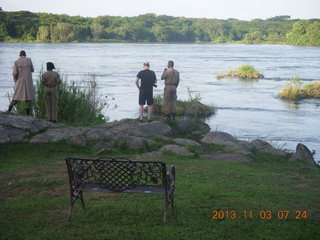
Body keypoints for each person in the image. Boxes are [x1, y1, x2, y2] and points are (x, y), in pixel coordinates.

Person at [7, 50, 35, 116]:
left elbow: (14, 73)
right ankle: (27, 114)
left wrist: (15, 80)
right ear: (25, 55)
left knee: (16, 96)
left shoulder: (16, 62)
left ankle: (9, 110)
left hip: (20, 81)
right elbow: (32, 70)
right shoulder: (29, 60)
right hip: (28, 81)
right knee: (28, 97)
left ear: (19, 55)